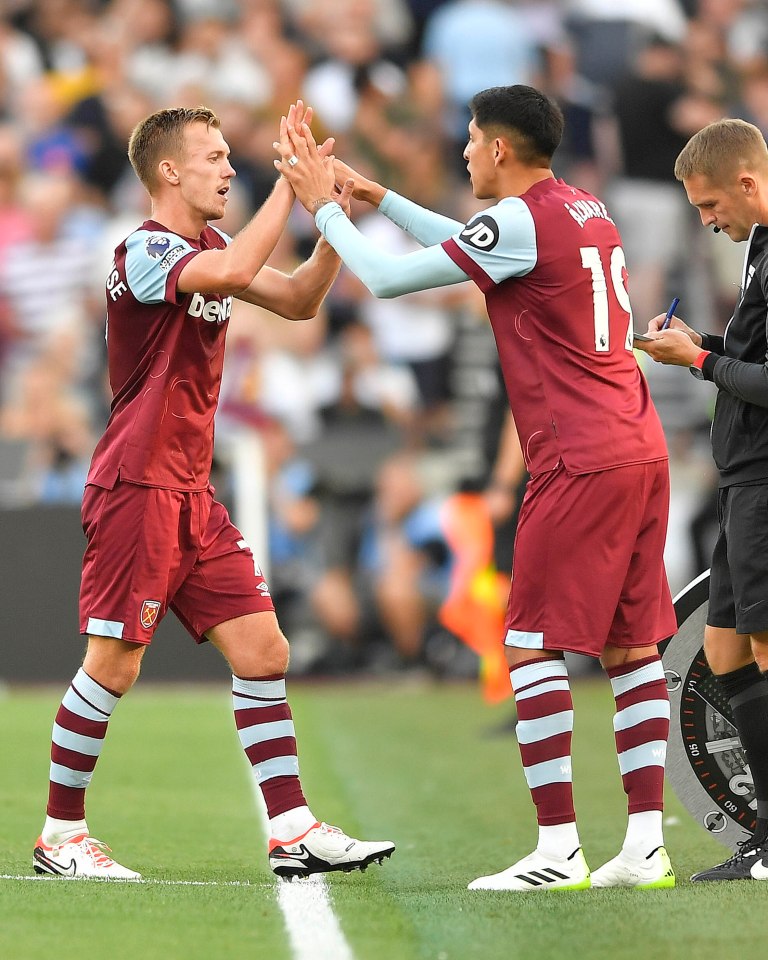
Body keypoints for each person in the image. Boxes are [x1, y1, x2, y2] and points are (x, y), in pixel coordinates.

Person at [274, 84, 678, 891]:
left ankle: (558, 849)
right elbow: (476, 243)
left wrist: (324, 210)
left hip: (579, 458)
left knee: (529, 644)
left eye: (469, 139)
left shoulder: (520, 221)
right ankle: (644, 846)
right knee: (633, 650)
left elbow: (388, 282)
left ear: (499, 148)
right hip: (640, 446)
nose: (462, 151)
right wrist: (377, 193)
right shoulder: (583, 208)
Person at [32, 102, 395, 881]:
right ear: (170, 170)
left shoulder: (211, 245)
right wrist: (291, 190)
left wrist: (328, 213)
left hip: (193, 489)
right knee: (114, 664)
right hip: (136, 485)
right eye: (217, 156)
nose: (231, 168)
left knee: (264, 651)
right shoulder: (144, 252)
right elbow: (233, 275)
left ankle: (292, 828)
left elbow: (298, 300)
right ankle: (60, 835)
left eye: (234, 157)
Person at [637, 117, 768, 883]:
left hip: (764, 482)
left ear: (748, 183)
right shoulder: (758, 252)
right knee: (722, 653)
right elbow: (751, 361)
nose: (706, 219)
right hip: (743, 480)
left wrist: (700, 361)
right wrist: (701, 351)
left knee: (759, 652)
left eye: (711, 204)